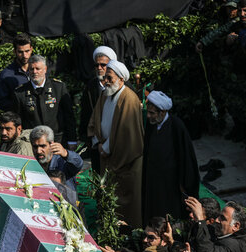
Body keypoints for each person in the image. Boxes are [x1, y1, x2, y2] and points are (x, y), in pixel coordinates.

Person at [87, 60, 143, 226]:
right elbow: (95, 120)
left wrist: (106, 147)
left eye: (110, 78)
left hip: (124, 158)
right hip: (105, 153)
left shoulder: (129, 99)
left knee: (125, 201)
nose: (106, 81)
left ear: (121, 79)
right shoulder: (105, 94)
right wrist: (98, 142)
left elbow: (128, 133)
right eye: (105, 78)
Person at [142, 91, 200, 223]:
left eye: (152, 113)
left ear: (162, 112)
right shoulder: (152, 125)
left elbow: (186, 159)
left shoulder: (176, 126)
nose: (149, 116)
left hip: (170, 185)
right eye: (149, 112)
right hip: (153, 181)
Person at [13, 55, 76, 145]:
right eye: (31, 69)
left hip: (57, 141)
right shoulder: (20, 93)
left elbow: (69, 116)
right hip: (33, 143)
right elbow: (18, 121)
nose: (34, 72)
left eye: (38, 69)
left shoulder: (58, 88)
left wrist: (72, 140)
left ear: (45, 69)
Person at [80, 46, 117, 173]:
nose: (99, 68)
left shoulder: (123, 85)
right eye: (97, 65)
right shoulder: (90, 86)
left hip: (115, 140)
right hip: (96, 141)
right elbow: (85, 114)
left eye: (103, 65)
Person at [30, 125, 83, 190]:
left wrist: (66, 154)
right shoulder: (30, 165)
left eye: (43, 146)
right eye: (35, 147)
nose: (38, 151)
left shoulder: (62, 162)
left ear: (52, 144)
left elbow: (78, 164)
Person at [0, 33, 32, 111]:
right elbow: (1, 103)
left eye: (27, 51)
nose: (24, 55)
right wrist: (21, 105)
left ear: (31, 49)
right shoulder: (6, 75)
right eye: (20, 52)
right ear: (14, 51)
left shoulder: (38, 70)